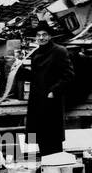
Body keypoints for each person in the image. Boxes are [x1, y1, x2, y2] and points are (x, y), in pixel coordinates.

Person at [25, 20, 75, 158]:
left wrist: (54, 91)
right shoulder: (35, 54)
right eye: (38, 35)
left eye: (44, 34)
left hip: (52, 100)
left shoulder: (59, 51)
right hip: (37, 99)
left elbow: (68, 76)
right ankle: (45, 162)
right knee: (40, 134)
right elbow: (36, 76)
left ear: (50, 36)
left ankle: (55, 162)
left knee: (53, 136)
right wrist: (20, 72)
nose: (41, 38)